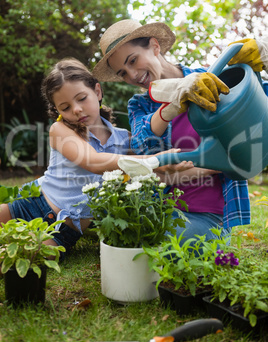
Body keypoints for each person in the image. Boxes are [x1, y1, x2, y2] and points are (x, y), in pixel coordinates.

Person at [92, 20, 267, 243]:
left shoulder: (212, 79)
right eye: (123, 72)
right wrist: (170, 107)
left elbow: (257, 111)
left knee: (166, 242)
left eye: (133, 61)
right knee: (116, 222)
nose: (132, 75)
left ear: (155, 46)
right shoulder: (140, 104)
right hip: (164, 208)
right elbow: (142, 147)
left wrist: (263, 56)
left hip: (211, 214)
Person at [0, 58, 193, 257]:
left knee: (14, 257)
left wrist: (165, 165)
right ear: (57, 111)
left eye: (81, 98)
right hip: (30, 206)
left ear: (98, 92)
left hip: (64, 232)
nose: (76, 109)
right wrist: (153, 162)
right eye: (65, 107)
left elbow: (142, 171)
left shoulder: (124, 139)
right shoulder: (61, 130)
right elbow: (93, 161)